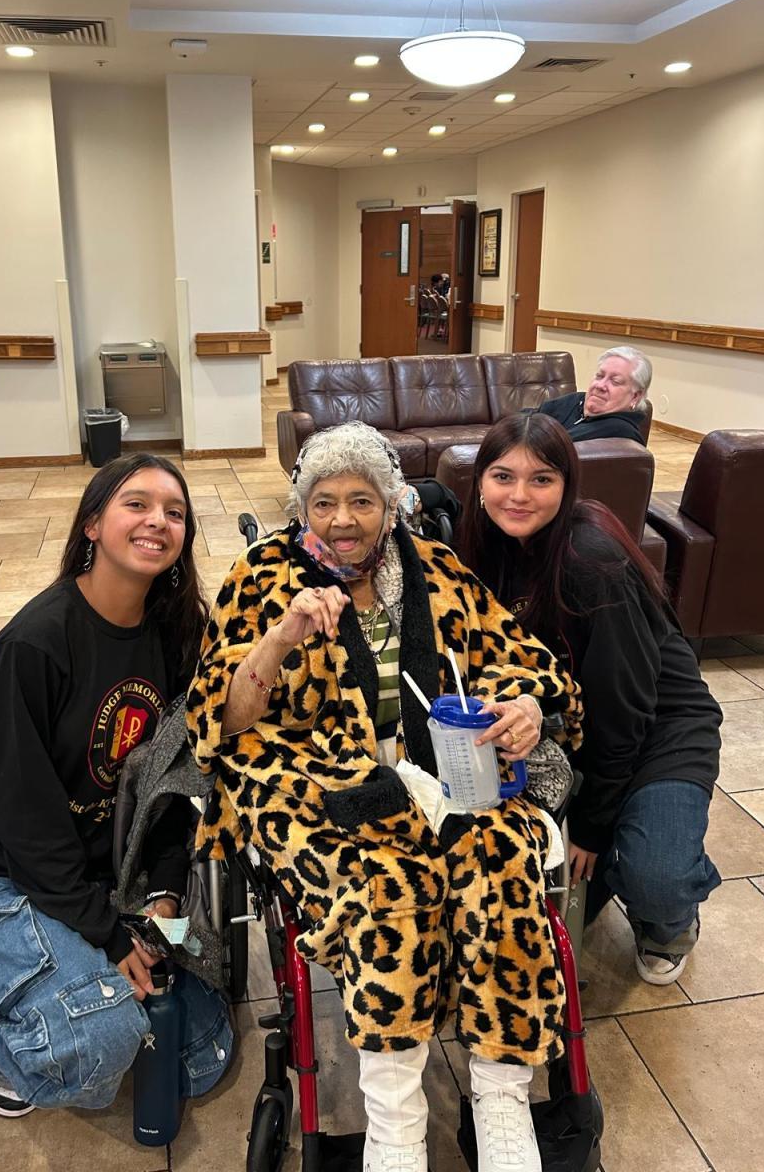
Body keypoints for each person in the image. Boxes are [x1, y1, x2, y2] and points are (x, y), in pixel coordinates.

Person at [187, 421, 582, 1172]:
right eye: (324, 502)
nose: (342, 519)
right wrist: (282, 636)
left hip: (439, 773)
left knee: (501, 854)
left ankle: (501, 1098)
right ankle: (396, 1123)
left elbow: (523, 658)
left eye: (361, 500)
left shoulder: (435, 568)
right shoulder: (261, 574)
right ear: (303, 508)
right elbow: (223, 717)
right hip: (311, 783)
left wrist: (525, 705)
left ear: (392, 504)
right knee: (390, 879)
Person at [0, 454, 208, 1117]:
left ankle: (67, 974)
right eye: (136, 504)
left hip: (108, 872)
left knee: (202, 1043)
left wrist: (166, 890)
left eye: (174, 513)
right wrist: (108, 935)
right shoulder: (32, 645)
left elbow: (170, 784)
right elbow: (25, 818)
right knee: (99, 1039)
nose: (158, 521)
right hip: (4, 875)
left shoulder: (176, 637)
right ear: (92, 524)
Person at [460, 412, 722, 987]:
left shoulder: (590, 558)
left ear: (567, 485)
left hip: (658, 730)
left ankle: (671, 919)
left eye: (541, 479)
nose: (519, 495)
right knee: (549, 890)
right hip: (574, 726)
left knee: (653, 876)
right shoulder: (484, 544)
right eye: (503, 477)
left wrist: (593, 826)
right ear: (479, 482)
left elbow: (624, 708)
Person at [537, 345, 651, 444]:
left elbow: (548, 447)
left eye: (615, 381)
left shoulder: (619, 430)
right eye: (599, 376)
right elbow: (533, 416)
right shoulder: (576, 400)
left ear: (635, 396)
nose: (600, 385)